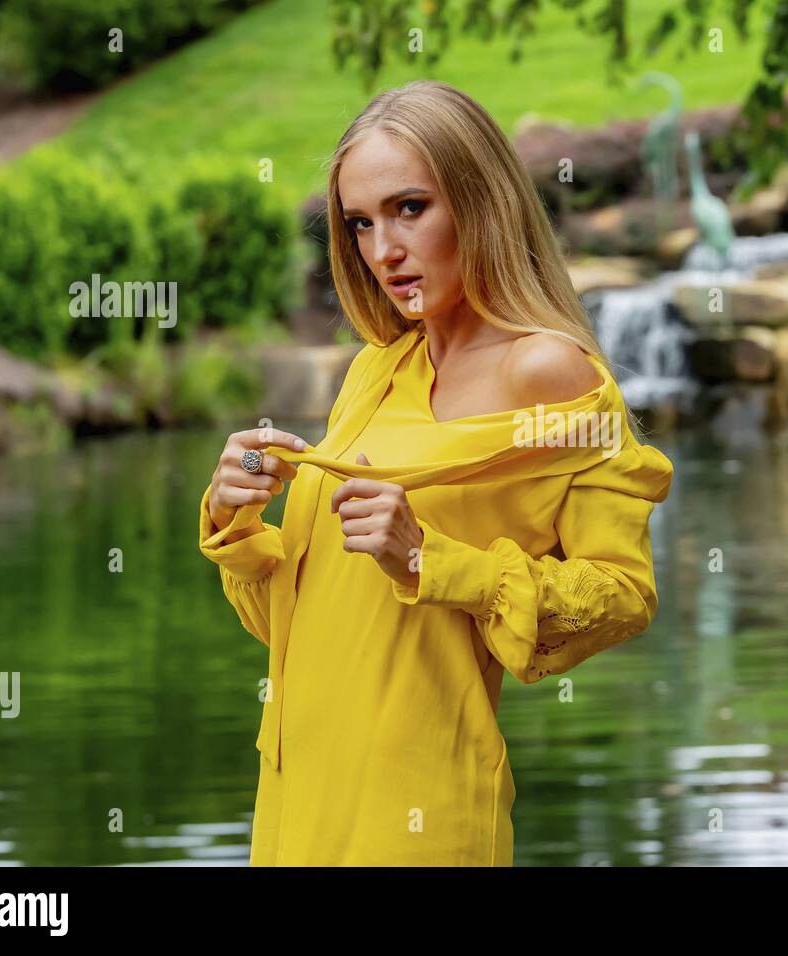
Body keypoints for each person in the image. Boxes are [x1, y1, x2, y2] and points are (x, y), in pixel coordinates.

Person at [199, 80, 673, 865]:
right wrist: (236, 519)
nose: (383, 250)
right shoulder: (375, 370)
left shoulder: (549, 371)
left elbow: (622, 599)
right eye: (359, 222)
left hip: (421, 808)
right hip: (297, 795)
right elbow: (295, 626)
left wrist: (431, 561)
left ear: (479, 201)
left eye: (409, 208)